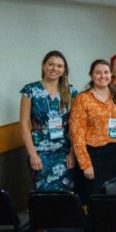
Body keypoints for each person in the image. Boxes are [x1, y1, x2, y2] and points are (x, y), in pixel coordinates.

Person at [70, 59, 116, 198]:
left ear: (111, 75)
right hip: (93, 156)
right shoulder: (82, 99)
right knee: (97, 198)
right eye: (98, 73)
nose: (102, 76)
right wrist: (85, 164)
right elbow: (76, 133)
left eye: (106, 72)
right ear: (91, 75)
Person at [20, 50, 78, 191]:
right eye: (51, 64)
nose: (55, 69)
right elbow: (23, 123)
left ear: (64, 70)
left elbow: (76, 124)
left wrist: (72, 152)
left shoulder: (71, 91)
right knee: (43, 189)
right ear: (43, 66)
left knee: (66, 190)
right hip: (39, 148)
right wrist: (32, 154)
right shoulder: (30, 90)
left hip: (65, 148)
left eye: (59, 66)